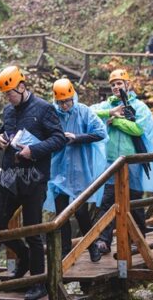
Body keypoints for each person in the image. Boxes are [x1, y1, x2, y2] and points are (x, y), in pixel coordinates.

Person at [0, 66, 67, 300]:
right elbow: (2, 134)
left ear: (21, 87)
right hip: (10, 177)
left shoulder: (44, 109)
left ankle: (38, 283)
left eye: (10, 93)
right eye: (5, 95)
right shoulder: (8, 110)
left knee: (33, 231)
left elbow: (59, 138)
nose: (8, 99)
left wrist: (33, 150)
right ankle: (22, 257)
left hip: (34, 179)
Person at [91, 69, 153, 254]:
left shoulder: (139, 106)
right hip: (111, 159)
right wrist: (109, 113)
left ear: (128, 84)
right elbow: (90, 112)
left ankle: (137, 238)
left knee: (133, 199)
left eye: (119, 83)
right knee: (108, 199)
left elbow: (138, 129)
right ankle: (104, 240)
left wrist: (116, 121)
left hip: (132, 159)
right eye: (113, 84)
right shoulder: (106, 105)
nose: (116, 87)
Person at [45, 79, 107, 263]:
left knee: (81, 212)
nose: (64, 105)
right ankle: (65, 252)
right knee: (62, 213)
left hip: (80, 168)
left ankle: (92, 245)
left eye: (67, 101)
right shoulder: (52, 114)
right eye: (60, 102)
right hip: (58, 169)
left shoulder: (84, 112)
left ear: (73, 97)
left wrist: (77, 137)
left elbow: (101, 133)